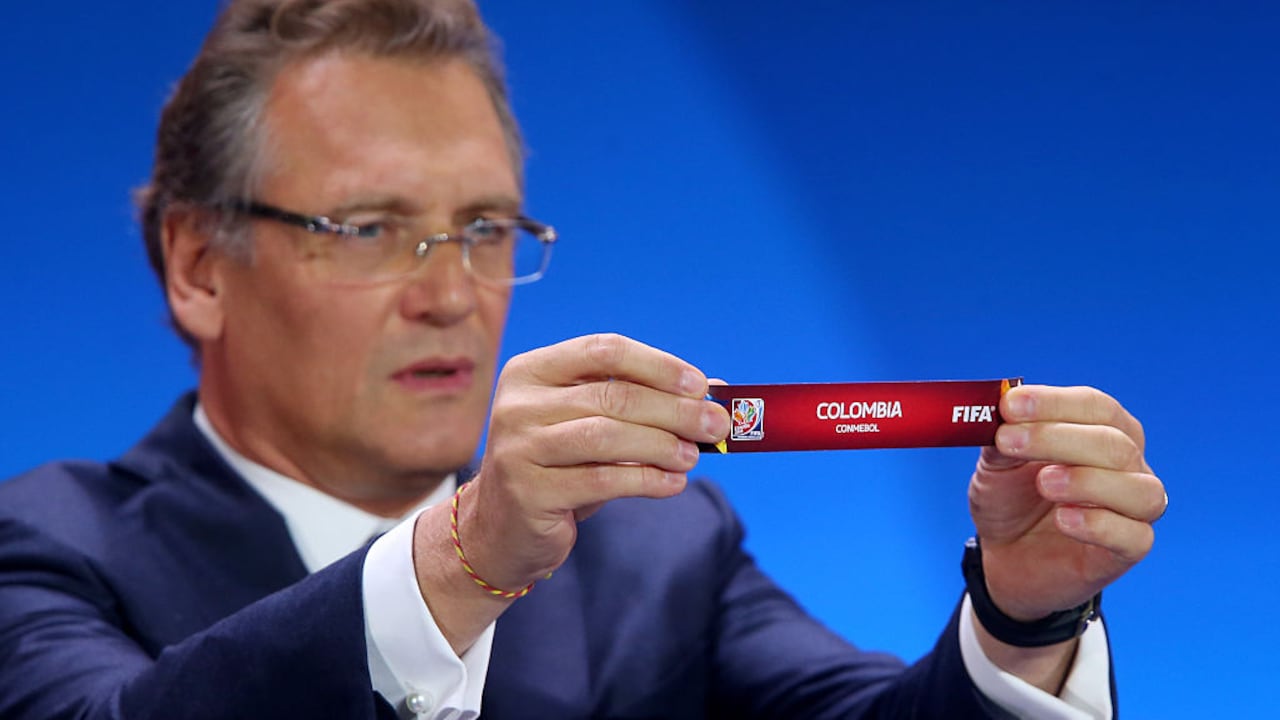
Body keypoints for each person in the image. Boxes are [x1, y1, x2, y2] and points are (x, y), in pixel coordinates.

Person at [0, 1, 1167, 718]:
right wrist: (460, 561)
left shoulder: (656, 550)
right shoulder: (50, 548)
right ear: (199, 265)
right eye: (367, 229)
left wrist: (1022, 620)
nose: (451, 294)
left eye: (485, 229)